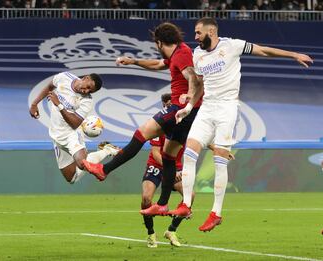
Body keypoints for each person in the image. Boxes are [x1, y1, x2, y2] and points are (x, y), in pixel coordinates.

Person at [169, 17, 313, 232]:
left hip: (227, 109)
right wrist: (189, 107)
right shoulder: (197, 54)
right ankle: (186, 204)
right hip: (207, 108)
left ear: (211, 31)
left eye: (199, 33)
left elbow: (263, 51)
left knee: (219, 159)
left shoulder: (232, 45)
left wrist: (293, 55)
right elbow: (199, 84)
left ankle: (216, 213)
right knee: (189, 151)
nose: (195, 36)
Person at [82, 22, 203, 216]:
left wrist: (188, 98)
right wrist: (134, 61)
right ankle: (163, 204)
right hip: (189, 113)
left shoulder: (181, 55)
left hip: (179, 109)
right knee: (169, 156)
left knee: (141, 134)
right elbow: (157, 64)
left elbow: (192, 77)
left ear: (159, 43)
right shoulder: (178, 53)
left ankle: (104, 170)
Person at [29, 71, 120, 184]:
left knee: (82, 164)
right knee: (71, 178)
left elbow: (75, 123)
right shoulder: (64, 77)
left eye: (90, 91)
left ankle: (106, 150)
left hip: (71, 135)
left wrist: (59, 105)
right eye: (88, 87)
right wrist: (34, 104)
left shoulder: (86, 100)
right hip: (56, 136)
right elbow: (49, 86)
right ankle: (104, 150)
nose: (86, 91)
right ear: (86, 78)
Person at [141, 93, 194, 248]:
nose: (171, 106)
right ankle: (151, 233)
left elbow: (202, 138)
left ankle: (171, 230)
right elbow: (157, 153)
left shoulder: (185, 123)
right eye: (168, 104)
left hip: (175, 168)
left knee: (190, 196)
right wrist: (170, 171)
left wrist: (216, 148)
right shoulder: (161, 124)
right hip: (157, 167)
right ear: (164, 105)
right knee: (146, 198)